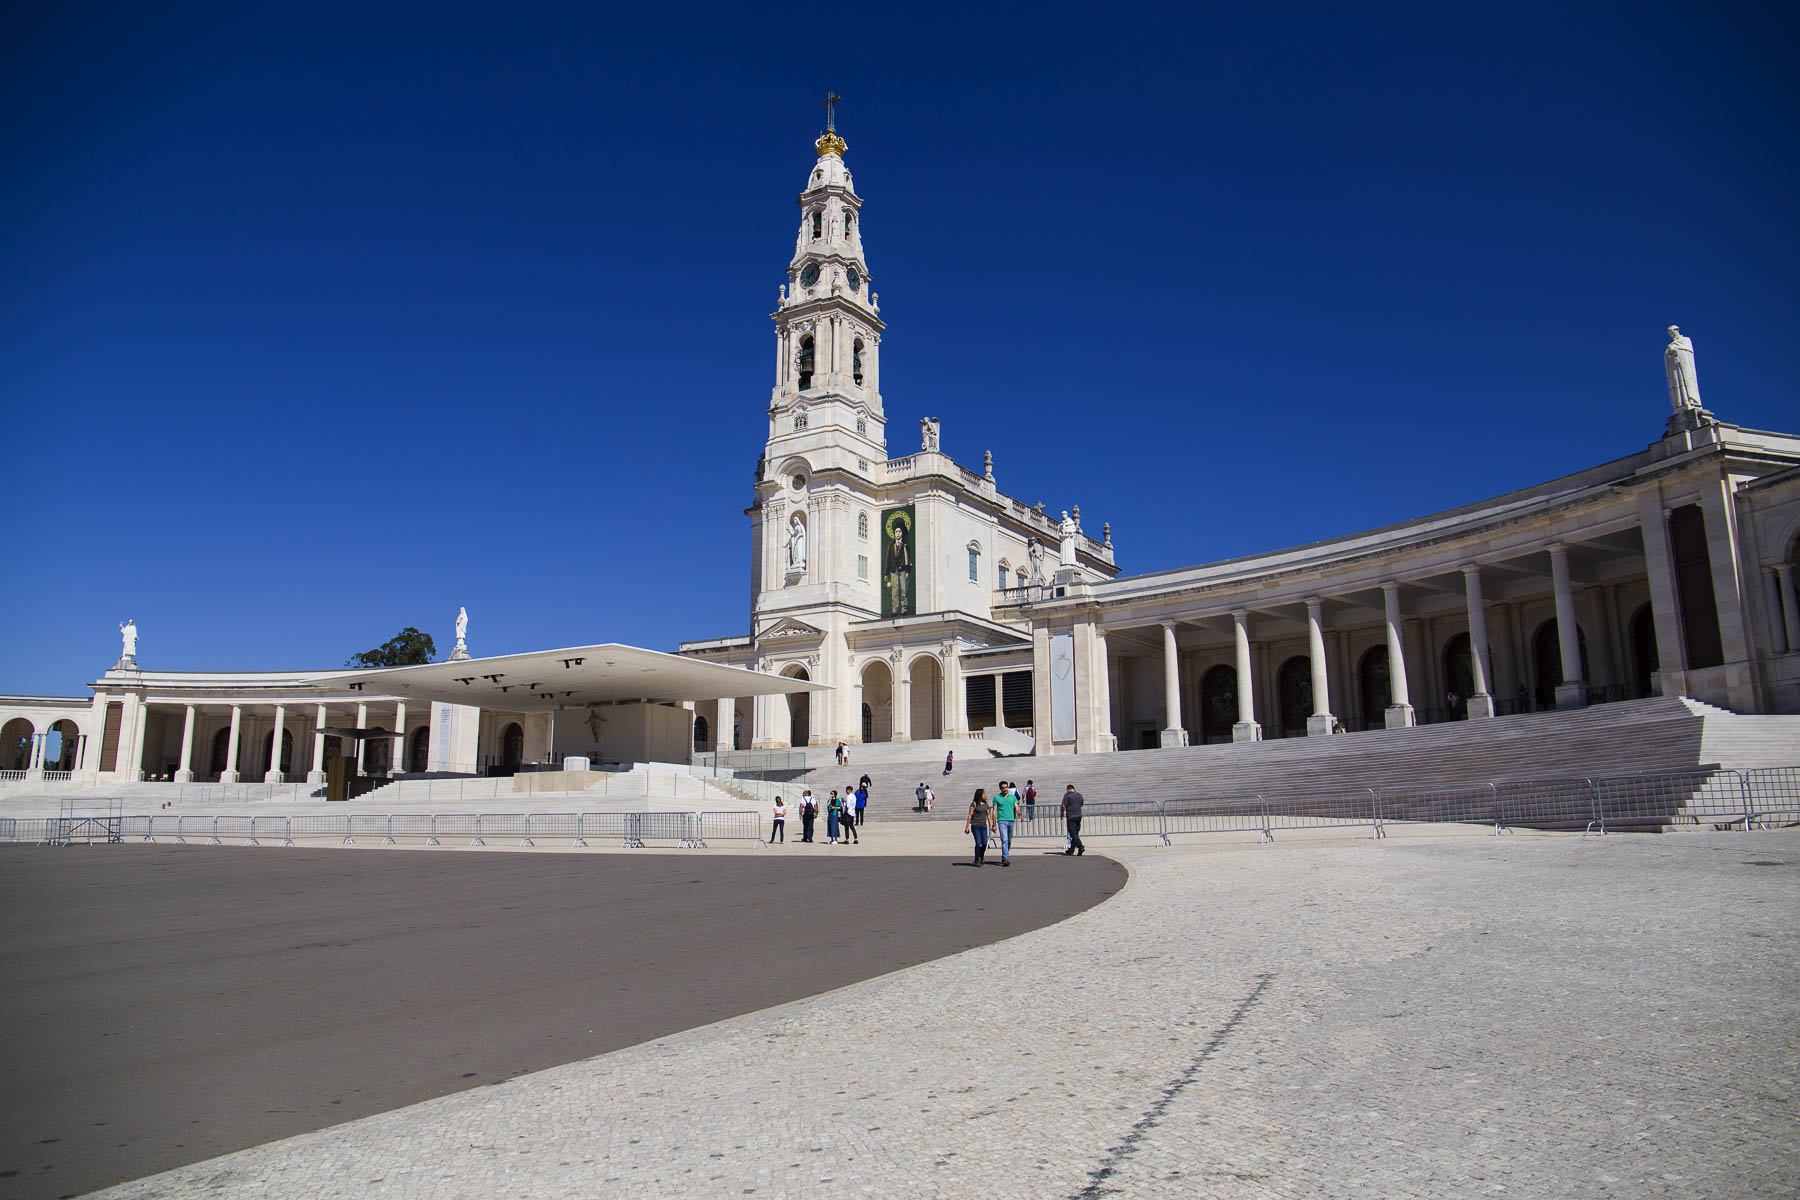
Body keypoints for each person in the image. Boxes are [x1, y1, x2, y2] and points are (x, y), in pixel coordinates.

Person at [965, 787, 996, 867]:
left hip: (983, 826)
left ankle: (981, 856)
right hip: (975, 826)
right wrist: (967, 827)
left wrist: (991, 825)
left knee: (985, 843)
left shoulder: (986, 804)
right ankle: (977, 859)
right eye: (984, 793)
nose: (985, 795)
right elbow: (970, 815)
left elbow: (988, 815)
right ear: (980, 795)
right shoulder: (974, 804)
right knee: (978, 843)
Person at [992, 780, 1019, 866]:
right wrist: (994, 824)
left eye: (1006, 787)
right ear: (1000, 788)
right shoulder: (996, 798)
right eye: (1003, 788)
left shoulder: (1012, 797)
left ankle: (1005, 854)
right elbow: (994, 811)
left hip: (1011, 820)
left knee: (1009, 840)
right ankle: (1005, 858)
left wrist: (1020, 815)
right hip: (1002, 821)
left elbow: (1016, 807)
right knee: (1004, 840)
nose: (1004, 789)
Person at [1062, 784, 1086, 856]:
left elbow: (1063, 805)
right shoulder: (1079, 795)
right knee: (1075, 834)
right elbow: (1082, 803)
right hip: (1078, 815)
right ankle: (1071, 850)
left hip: (1071, 816)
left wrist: (1062, 812)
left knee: (1072, 833)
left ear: (1068, 789)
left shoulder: (1067, 795)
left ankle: (1080, 846)